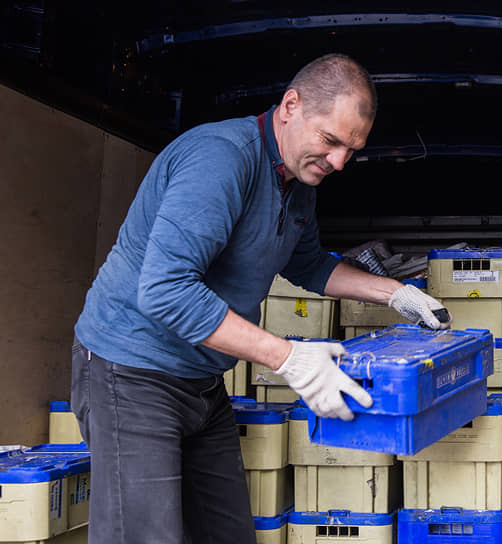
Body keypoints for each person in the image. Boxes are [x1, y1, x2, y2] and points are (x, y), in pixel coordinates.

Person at [70, 53, 449, 543]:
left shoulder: (298, 180)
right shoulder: (221, 160)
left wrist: (396, 293)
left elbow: (308, 263)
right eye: (330, 141)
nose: (338, 162)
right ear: (291, 105)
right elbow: (165, 290)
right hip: (133, 372)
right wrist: (289, 358)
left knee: (230, 535)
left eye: (351, 150)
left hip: (202, 382)